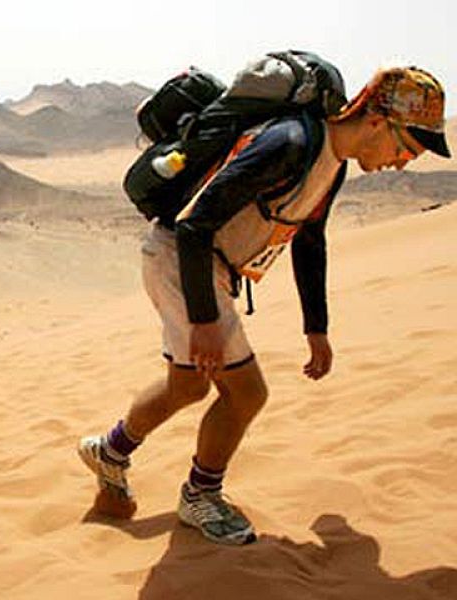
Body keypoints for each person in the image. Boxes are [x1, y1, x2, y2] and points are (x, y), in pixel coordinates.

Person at [79, 66, 450, 545]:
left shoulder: (330, 165)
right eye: (407, 148)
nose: (401, 163)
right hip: (183, 259)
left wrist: (316, 328)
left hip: (199, 267)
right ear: (378, 121)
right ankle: (201, 495)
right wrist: (205, 320)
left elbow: (309, 241)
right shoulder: (291, 143)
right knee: (247, 393)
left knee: (189, 385)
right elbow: (194, 226)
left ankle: (110, 451)